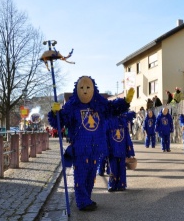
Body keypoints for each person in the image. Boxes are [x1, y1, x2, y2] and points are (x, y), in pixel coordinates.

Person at [48, 75, 134, 211]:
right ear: (77, 89)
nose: (85, 91)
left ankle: (87, 198)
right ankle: (82, 201)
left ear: (93, 89)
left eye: (88, 87)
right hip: (80, 148)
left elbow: (112, 108)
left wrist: (125, 102)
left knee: (91, 175)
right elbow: (59, 122)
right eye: (82, 88)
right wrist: (55, 113)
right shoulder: (72, 106)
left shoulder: (99, 105)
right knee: (80, 175)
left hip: (95, 147)